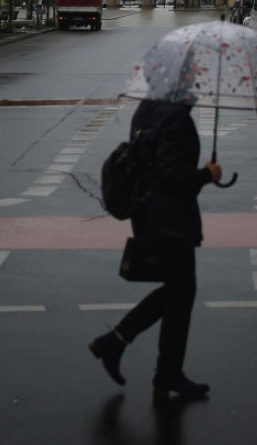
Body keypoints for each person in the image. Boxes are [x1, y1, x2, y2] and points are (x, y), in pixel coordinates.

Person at [89, 99, 222, 402]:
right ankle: (164, 370)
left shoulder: (147, 108)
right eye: (190, 75)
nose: (195, 84)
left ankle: (120, 343)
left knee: (178, 290)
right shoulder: (176, 118)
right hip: (169, 219)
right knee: (182, 289)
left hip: (149, 214)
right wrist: (207, 175)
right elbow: (171, 174)